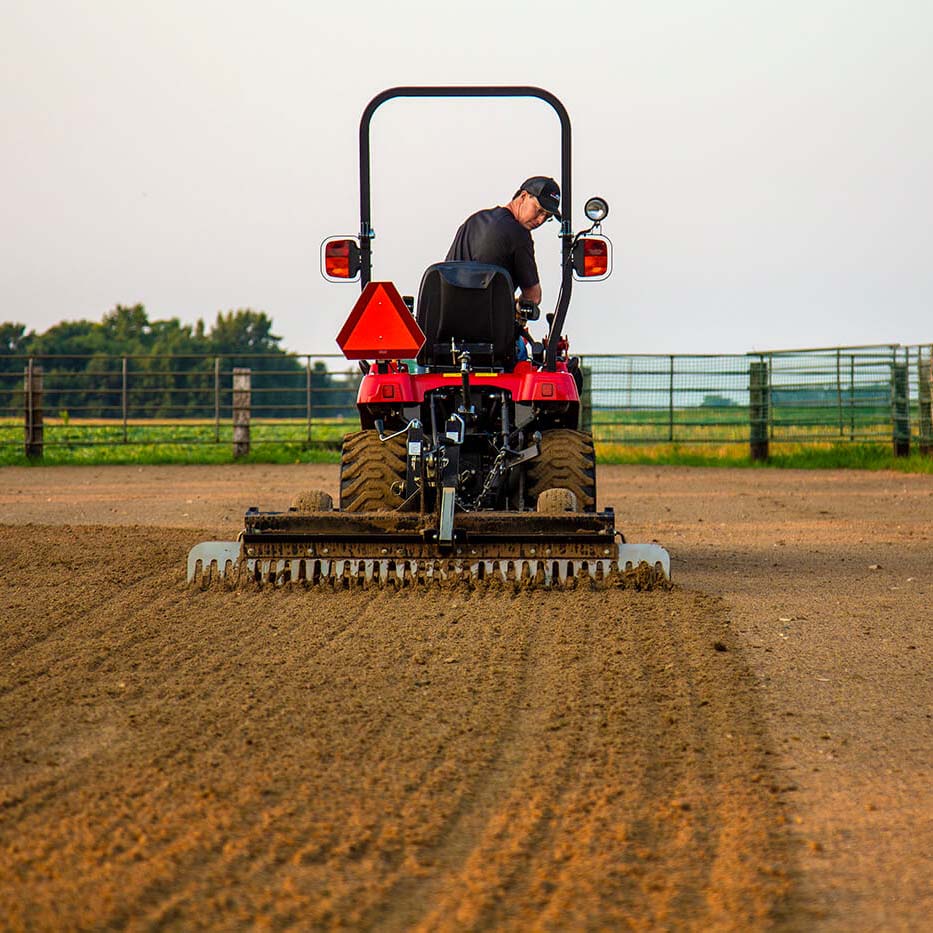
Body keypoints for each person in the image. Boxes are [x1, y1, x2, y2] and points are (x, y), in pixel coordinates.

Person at [446, 176, 560, 361]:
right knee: (526, 355)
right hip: (490, 342)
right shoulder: (520, 235)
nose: (540, 220)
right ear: (523, 196)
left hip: (447, 336)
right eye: (538, 211)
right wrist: (516, 305)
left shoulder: (473, 221)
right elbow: (533, 297)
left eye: (546, 217)